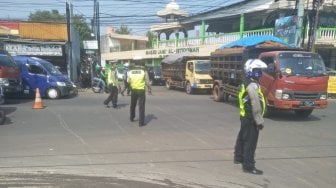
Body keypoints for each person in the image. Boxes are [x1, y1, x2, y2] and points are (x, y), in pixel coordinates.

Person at [234, 59, 267, 175]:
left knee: (242, 138)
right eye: (257, 71)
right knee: (250, 142)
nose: (260, 73)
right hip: (251, 118)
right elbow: (255, 104)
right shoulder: (252, 85)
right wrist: (259, 121)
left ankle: (238, 158)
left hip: (244, 116)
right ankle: (248, 166)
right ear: (251, 71)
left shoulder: (246, 82)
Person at [128, 62, 152, 127]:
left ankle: (131, 117)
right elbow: (147, 81)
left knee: (133, 105)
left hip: (133, 90)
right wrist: (149, 88)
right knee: (141, 106)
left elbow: (128, 81)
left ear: (134, 64)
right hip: (141, 90)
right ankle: (141, 123)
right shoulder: (144, 71)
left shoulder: (130, 71)